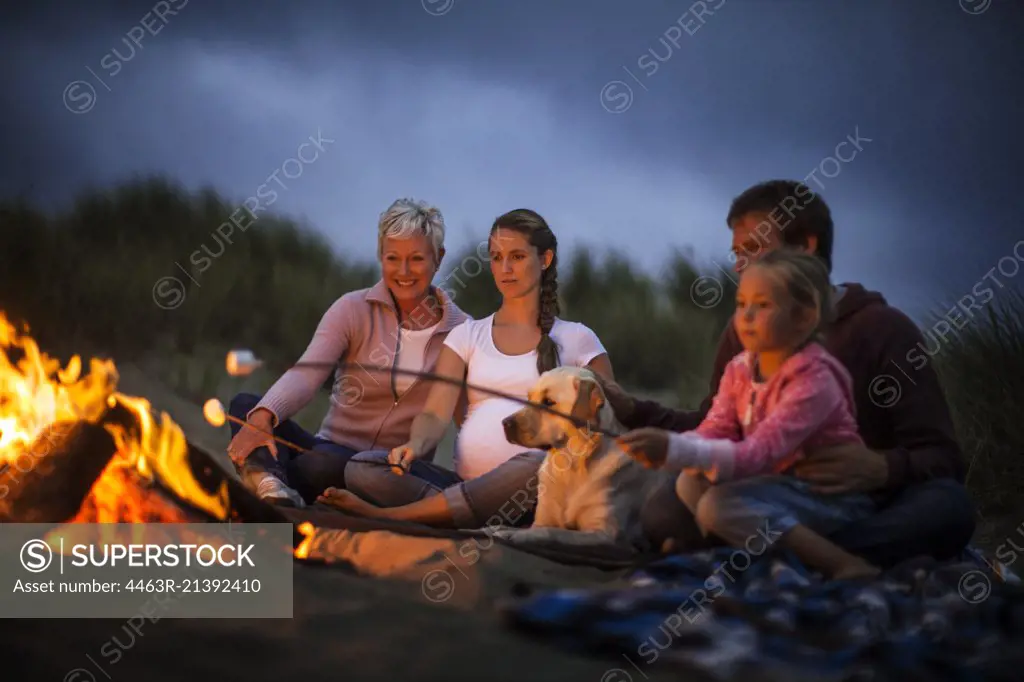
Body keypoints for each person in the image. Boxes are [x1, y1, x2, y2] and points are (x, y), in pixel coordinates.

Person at [606, 179, 975, 567]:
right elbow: (714, 425)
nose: (739, 265)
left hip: (858, 501)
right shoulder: (743, 334)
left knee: (947, 508)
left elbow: (943, 458)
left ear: (805, 248)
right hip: (767, 488)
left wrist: (883, 468)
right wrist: (633, 411)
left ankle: (796, 554)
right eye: (736, 252)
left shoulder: (884, 330)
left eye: (753, 249)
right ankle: (809, 554)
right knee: (665, 508)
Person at [318, 208, 614, 524]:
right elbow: (434, 413)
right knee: (363, 468)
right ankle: (459, 514)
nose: (505, 268)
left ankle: (400, 517)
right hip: (464, 485)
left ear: (545, 259)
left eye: (516, 257)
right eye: (496, 257)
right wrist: (416, 444)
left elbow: (610, 421)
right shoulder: (467, 335)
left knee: (537, 463)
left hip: (540, 491)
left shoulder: (578, 338)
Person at [621, 249, 880, 579]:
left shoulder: (814, 380)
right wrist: (671, 448)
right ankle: (731, 556)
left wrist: (675, 449)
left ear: (804, 317)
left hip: (831, 497)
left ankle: (842, 563)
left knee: (719, 505)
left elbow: (759, 453)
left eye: (763, 305)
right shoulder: (740, 369)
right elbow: (715, 427)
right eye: (741, 304)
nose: (746, 315)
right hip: (778, 487)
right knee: (690, 481)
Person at [225, 197, 469, 507]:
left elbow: (470, 421)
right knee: (246, 406)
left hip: (391, 472)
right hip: (328, 449)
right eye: (393, 258)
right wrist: (264, 416)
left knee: (320, 463)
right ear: (381, 255)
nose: (404, 271)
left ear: (439, 257)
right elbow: (306, 374)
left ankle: (281, 480)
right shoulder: (352, 309)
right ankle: (269, 485)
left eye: (417, 259)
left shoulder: (463, 331)